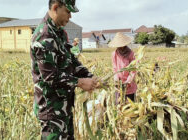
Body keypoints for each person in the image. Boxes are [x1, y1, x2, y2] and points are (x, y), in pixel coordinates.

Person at [30, 0, 98, 139]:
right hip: (51, 110)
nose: (70, 16)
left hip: (63, 106)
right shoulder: (44, 36)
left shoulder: (58, 32)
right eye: (68, 11)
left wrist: (90, 76)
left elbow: (71, 60)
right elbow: (50, 77)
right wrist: (80, 82)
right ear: (55, 7)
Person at [109, 32, 137, 103]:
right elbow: (115, 69)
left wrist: (128, 82)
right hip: (119, 85)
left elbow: (133, 70)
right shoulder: (114, 54)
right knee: (118, 105)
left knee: (130, 106)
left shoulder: (131, 54)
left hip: (129, 85)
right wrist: (116, 80)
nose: (121, 47)